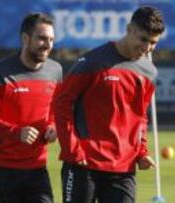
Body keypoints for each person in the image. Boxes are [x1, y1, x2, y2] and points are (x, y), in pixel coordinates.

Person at [54, 6, 165, 203]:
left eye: (153, 43)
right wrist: (73, 149)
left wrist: (141, 152)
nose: (147, 48)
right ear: (129, 29)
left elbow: (140, 117)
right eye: (143, 39)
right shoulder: (92, 60)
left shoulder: (149, 72)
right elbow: (62, 102)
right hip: (84, 164)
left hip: (123, 168)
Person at [0, 13, 62, 203]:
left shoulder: (55, 70)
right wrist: (17, 132)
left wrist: (52, 127)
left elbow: (55, 109)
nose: (47, 45)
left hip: (36, 165)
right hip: (0, 166)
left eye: (51, 39)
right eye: (41, 38)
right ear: (25, 38)